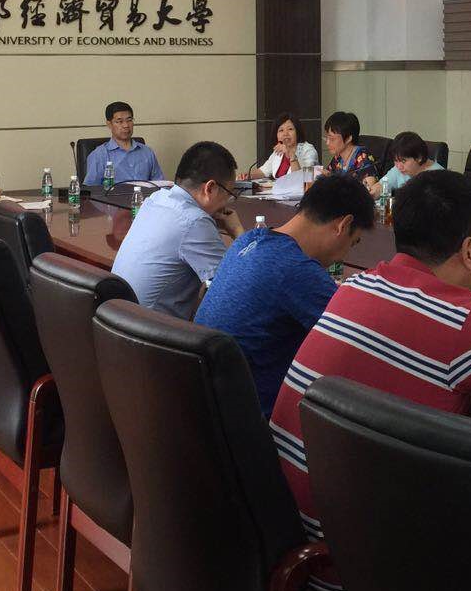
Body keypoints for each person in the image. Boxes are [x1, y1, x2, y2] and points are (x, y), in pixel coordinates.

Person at [271, 169, 471, 591]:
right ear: (469, 251)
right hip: (365, 569)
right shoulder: (463, 321)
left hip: (295, 539)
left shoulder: (355, 286)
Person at [195, 175, 375, 414]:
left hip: (206, 405)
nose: (344, 256)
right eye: (353, 242)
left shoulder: (247, 240)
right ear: (343, 225)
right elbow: (361, 343)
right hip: (255, 420)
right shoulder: (296, 269)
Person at [110, 141, 244, 319]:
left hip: (117, 322)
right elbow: (236, 287)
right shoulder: (194, 221)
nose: (228, 202)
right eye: (229, 194)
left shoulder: (156, 198)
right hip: (150, 330)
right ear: (210, 188)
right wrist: (237, 231)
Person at [83, 102, 164, 185]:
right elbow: (91, 189)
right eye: (119, 121)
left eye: (129, 120)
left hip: (145, 193)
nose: (126, 125)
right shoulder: (99, 155)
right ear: (109, 124)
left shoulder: (147, 152)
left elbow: (160, 184)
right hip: (114, 194)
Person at [364, 131, 442, 199]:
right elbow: (381, 186)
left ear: (419, 157)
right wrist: (369, 194)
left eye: (403, 161)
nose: (399, 166)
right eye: (396, 161)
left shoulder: (437, 177)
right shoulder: (399, 169)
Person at [244, 112, 319, 180]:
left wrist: (291, 155)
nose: (285, 134)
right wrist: (248, 175)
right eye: (281, 130)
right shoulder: (279, 150)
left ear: (297, 132)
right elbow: (263, 171)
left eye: (290, 129)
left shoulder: (308, 150)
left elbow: (305, 178)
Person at [322, 111, 377, 181]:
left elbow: (370, 185)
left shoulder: (363, 157)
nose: (327, 142)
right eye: (326, 138)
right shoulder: (338, 158)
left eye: (332, 139)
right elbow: (329, 174)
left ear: (348, 138)